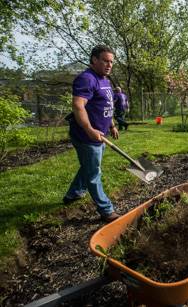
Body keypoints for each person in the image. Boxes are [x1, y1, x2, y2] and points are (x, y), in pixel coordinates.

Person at [63, 45, 120, 222]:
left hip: (100, 134)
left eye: (111, 61)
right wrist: (89, 129)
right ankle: (106, 210)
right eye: (105, 61)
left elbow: (105, 106)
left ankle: (73, 194)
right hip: (86, 136)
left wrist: (111, 125)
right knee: (94, 172)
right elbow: (78, 105)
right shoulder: (86, 79)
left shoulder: (105, 80)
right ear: (94, 60)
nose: (109, 65)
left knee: (88, 167)